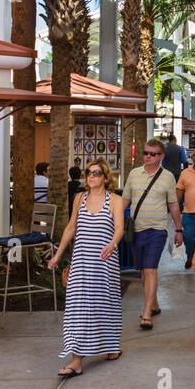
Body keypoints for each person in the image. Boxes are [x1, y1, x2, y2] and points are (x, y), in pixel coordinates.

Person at [48, 159, 123, 375]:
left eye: (96, 173)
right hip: (81, 262)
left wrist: (112, 243)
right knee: (78, 309)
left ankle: (111, 345)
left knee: (104, 306)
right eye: (88, 173)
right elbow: (71, 227)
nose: (90, 176)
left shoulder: (115, 200)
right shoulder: (79, 198)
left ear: (106, 178)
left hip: (104, 263)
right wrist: (58, 255)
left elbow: (119, 228)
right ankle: (76, 360)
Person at [121, 140, 180, 330]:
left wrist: (178, 229)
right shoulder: (134, 174)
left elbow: (173, 204)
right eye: (146, 153)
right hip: (136, 230)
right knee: (143, 270)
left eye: (153, 154)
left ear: (161, 157)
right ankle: (154, 304)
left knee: (150, 269)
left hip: (157, 230)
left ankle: (146, 313)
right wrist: (112, 223)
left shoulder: (168, 177)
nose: (148, 156)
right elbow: (125, 200)